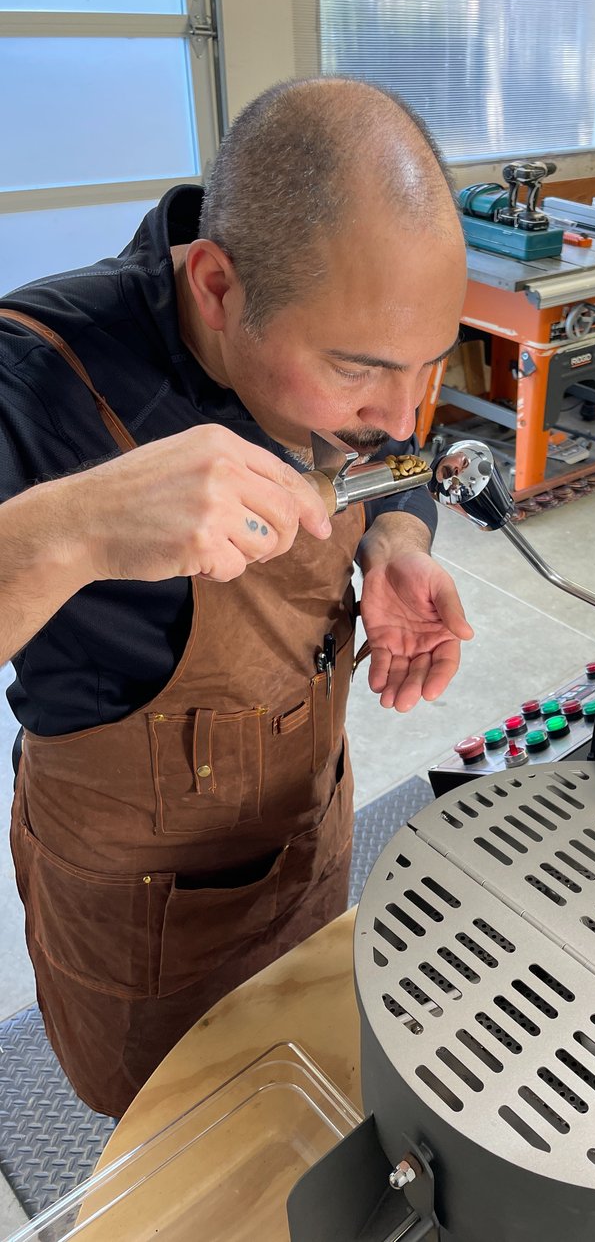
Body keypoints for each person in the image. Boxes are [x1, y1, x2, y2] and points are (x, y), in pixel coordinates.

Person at [0, 78, 473, 1117]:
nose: (399, 413)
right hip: (142, 904)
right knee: (170, 1129)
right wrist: (69, 528)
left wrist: (395, 535)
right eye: (358, 369)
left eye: (427, 368)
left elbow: (399, 456)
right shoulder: (39, 377)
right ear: (215, 285)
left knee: (288, 1080)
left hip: (307, 820)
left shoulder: (370, 366)